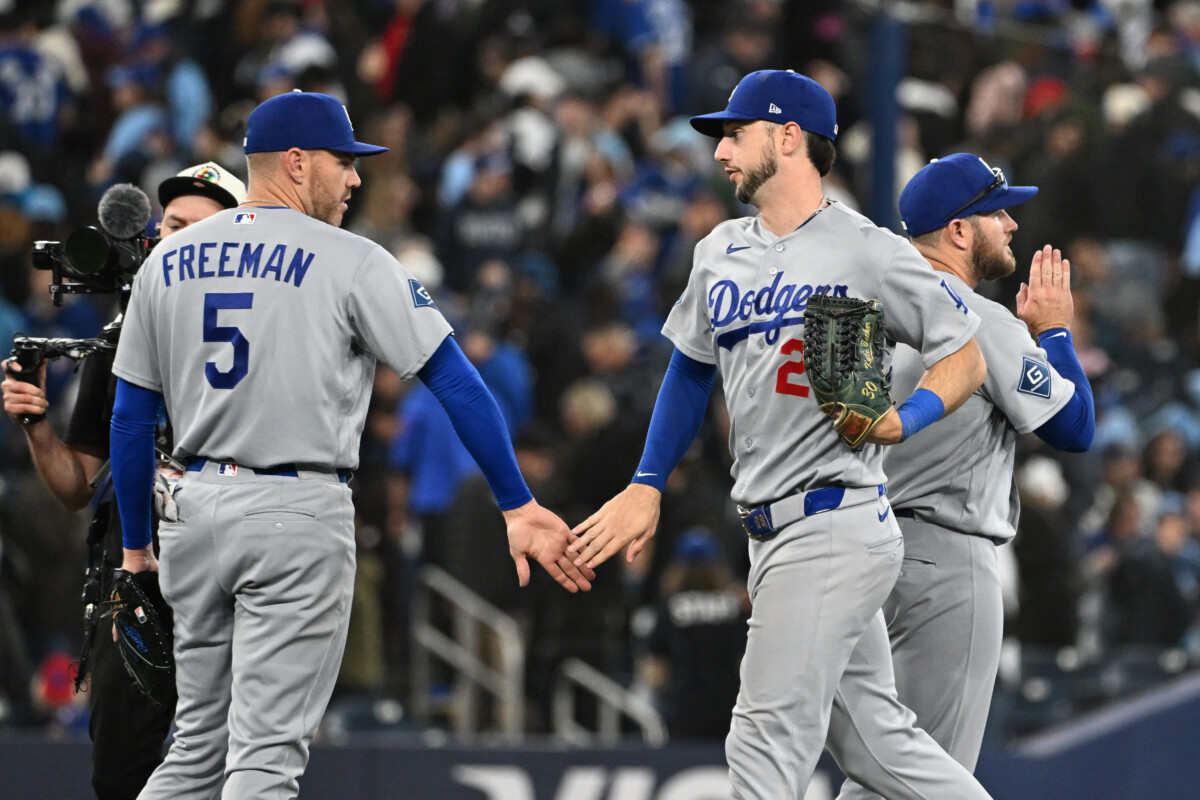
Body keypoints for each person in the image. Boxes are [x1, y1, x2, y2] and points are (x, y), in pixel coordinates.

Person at [107, 90, 593, 800]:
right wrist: (516, 501)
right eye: (345, 162)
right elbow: (457, 384)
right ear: (299, 163)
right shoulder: (351, 259)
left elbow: (128, 419)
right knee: (264, 761)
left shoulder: (169, 258)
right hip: (294, 512)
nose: (356, 179)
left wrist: (135, 550)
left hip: (192, 512)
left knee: (194, 753)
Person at [570, 69, 994, 799]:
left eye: (735, 133)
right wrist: (646, 482)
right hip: (770, 530)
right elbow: (690, 371)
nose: (720, 152)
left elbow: (965, 351)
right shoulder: (717, 251)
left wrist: (904, 417)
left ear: (789, 137)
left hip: (833, 514)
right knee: (875, 746)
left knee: (762, 741)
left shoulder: (863, 248)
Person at [834, 153, 1096, 800]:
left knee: (881, 767)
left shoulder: (852, 308)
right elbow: (1074, 429)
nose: (1010, 224)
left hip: (855, 553)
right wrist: (1056, 332)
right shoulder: (972, 315)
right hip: (944, 563)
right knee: (928, 779)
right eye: (995, 212)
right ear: (957, 230)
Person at [1, 161, 247, 800]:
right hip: (134, 569)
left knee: (235, 751)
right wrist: (36, 427)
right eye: (170, 226)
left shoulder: (261, 333)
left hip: (231, 555)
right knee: (119, 758)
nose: (174, 240)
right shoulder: (123, 331)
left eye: (196, 229)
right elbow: (78, 482)